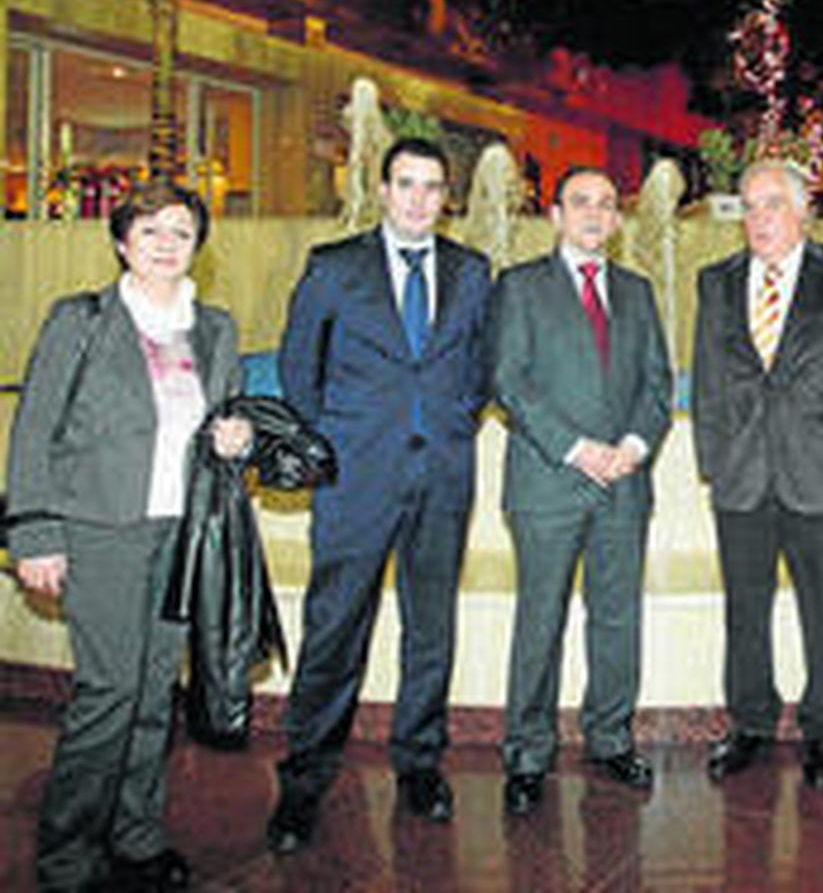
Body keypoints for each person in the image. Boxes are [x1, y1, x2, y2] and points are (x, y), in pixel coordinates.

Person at [8, 181, 251, 892]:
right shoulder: (79, 319)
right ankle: (66, 856)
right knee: (108, 690)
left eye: (181, 230)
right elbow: (35, 429)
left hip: (181, 532)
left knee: (152, 693)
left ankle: (137, 836)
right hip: (101, 529)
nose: (167, 243)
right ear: (122, 241)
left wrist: (236, 439)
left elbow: (222, 424)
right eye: (151, 231)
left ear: (197, 244)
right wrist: (34, 532)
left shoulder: (215, 328)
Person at [267, 137, 491, 853]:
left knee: (432, 625)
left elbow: (479, 371)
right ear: (383, 188)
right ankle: (304, 778)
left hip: (444, 477)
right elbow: (299, 369)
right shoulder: (334, 268)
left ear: (446, 195)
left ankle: (420, 763)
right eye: (406, 184)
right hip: (356, 476)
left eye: (432, 186)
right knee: (335, 624)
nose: (419, 198)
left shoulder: (472, 270)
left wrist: (449, 423)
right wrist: (341, 438)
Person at [691, 159, 823, 789]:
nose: (759, 219)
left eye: (772, 204)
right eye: (749, 207)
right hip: (743, 475)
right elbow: (706, 378)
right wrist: (712, 458)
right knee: (744, 610)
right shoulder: (717, 282)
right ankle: (751, 724)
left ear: (804, 210)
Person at [487, 167, 673, 815]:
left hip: (624, 483)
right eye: (580, 203)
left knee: (617, 615)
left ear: (618, 220)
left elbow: (657, 385)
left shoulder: (638, 291)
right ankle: (528, 752)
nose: (594, 214)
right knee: (541, 617)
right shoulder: (519, 287)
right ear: (556, 214)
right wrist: (576, 448)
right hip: (549, 481)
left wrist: (634, 447)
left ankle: (610, 736)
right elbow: (509, 380)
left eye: (606, 204)